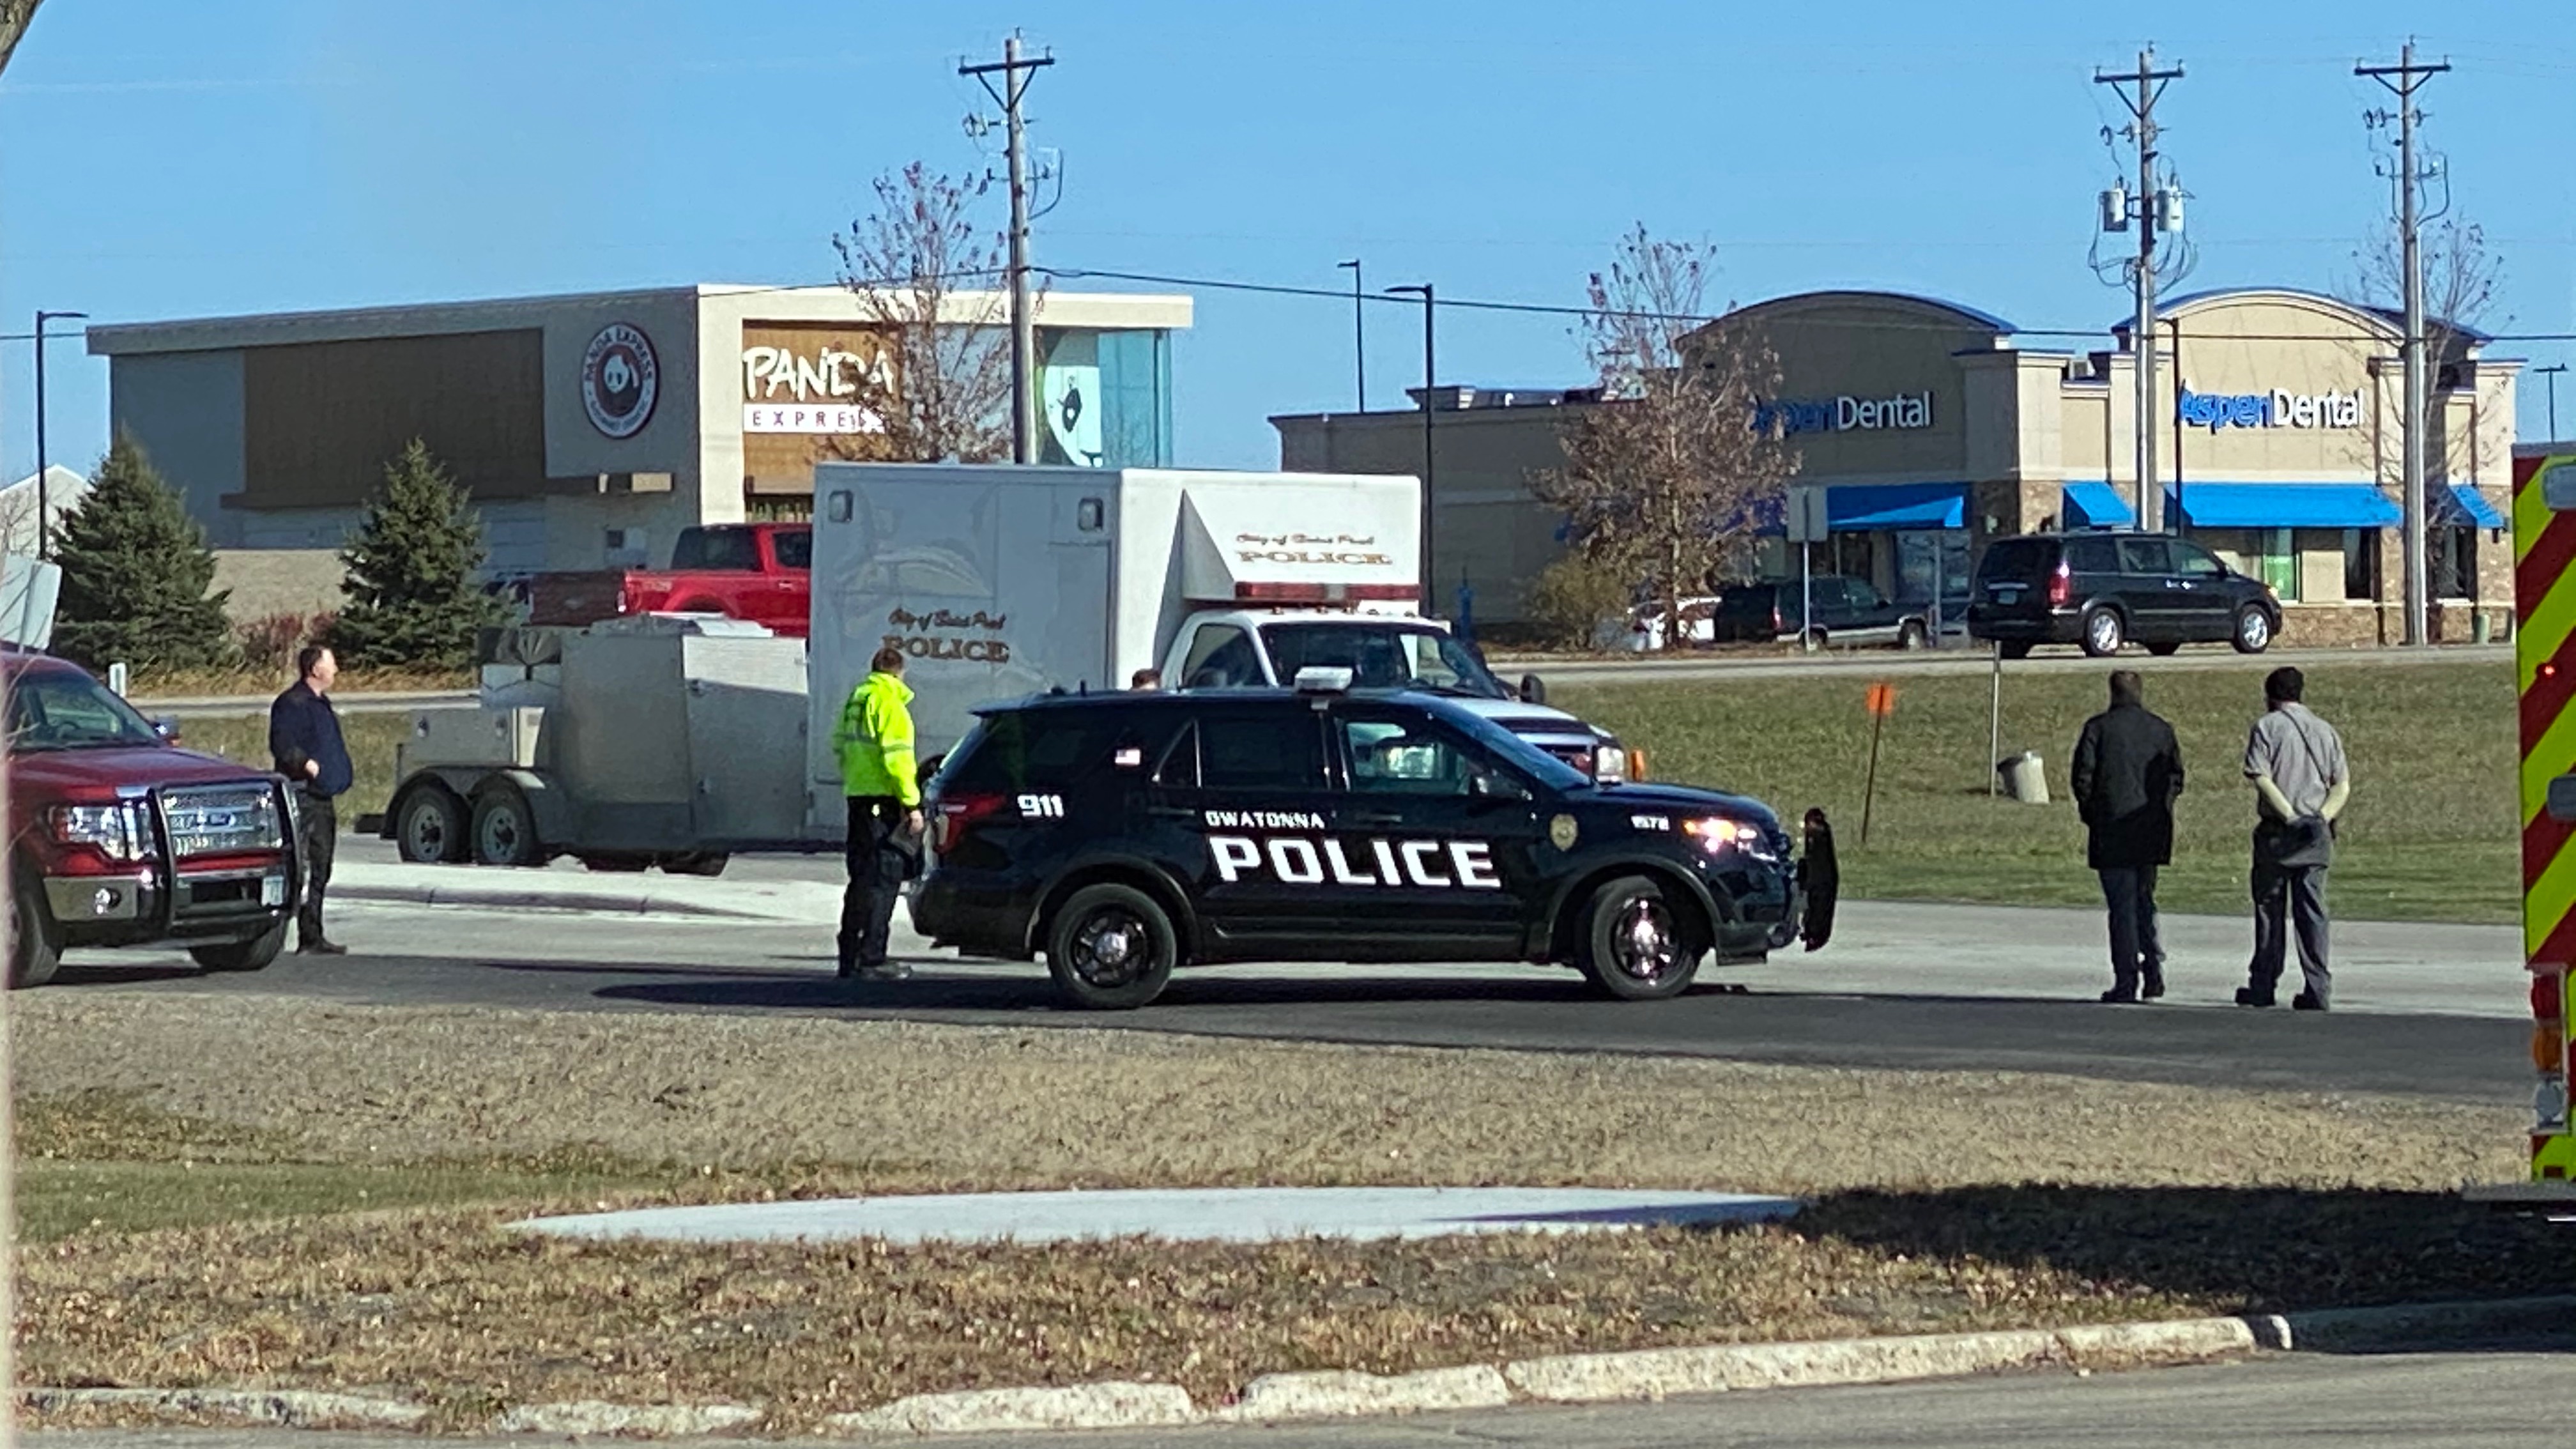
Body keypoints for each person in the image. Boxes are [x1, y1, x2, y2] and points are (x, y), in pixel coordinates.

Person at [2068, 670, 2184, 1004]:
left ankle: (2126, 979)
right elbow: (2176, 777)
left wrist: (2092, 814)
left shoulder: (2098, 729)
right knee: (2144, 902)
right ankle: (2153, 971)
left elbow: (2082, 778)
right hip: (2150, 829)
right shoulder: (2161, 730)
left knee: (2122, 908)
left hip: (2113, 829)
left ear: (2112, 692)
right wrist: (2162, 808)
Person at [2238, 666, 2349, 1011]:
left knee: (2270, 909)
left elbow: (2261, 776)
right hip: (2316, 833)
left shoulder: (2267, 727)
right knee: (2313, 912)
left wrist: (2289, 816)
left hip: (2278, 832)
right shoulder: (2325, 730)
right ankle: (2318, 987)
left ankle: (2264, 983)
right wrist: (2321, 818)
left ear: (2270, 695)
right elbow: (2342, 784)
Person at [832, 645, 922, 981]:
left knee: (859, 878)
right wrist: (911, 805)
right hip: (882, 802)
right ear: (900, 672)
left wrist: (857, 779)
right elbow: (899, 762)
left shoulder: (857, 700)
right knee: (883, 880)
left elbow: (837, 745)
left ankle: (849, 956)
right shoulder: (890, 704)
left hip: (857, 798)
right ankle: (872, 958)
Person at [268, 644, 351, 956]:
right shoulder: (292, 703)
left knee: (321, 866)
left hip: (323, 796)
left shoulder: (321, 704)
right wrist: (307, 765)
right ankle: (275, 933)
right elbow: (282, 744)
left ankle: (312, 934)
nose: (336, 670)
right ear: (315, 669)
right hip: (303, 796)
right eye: (332, 664)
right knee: (299, 867)